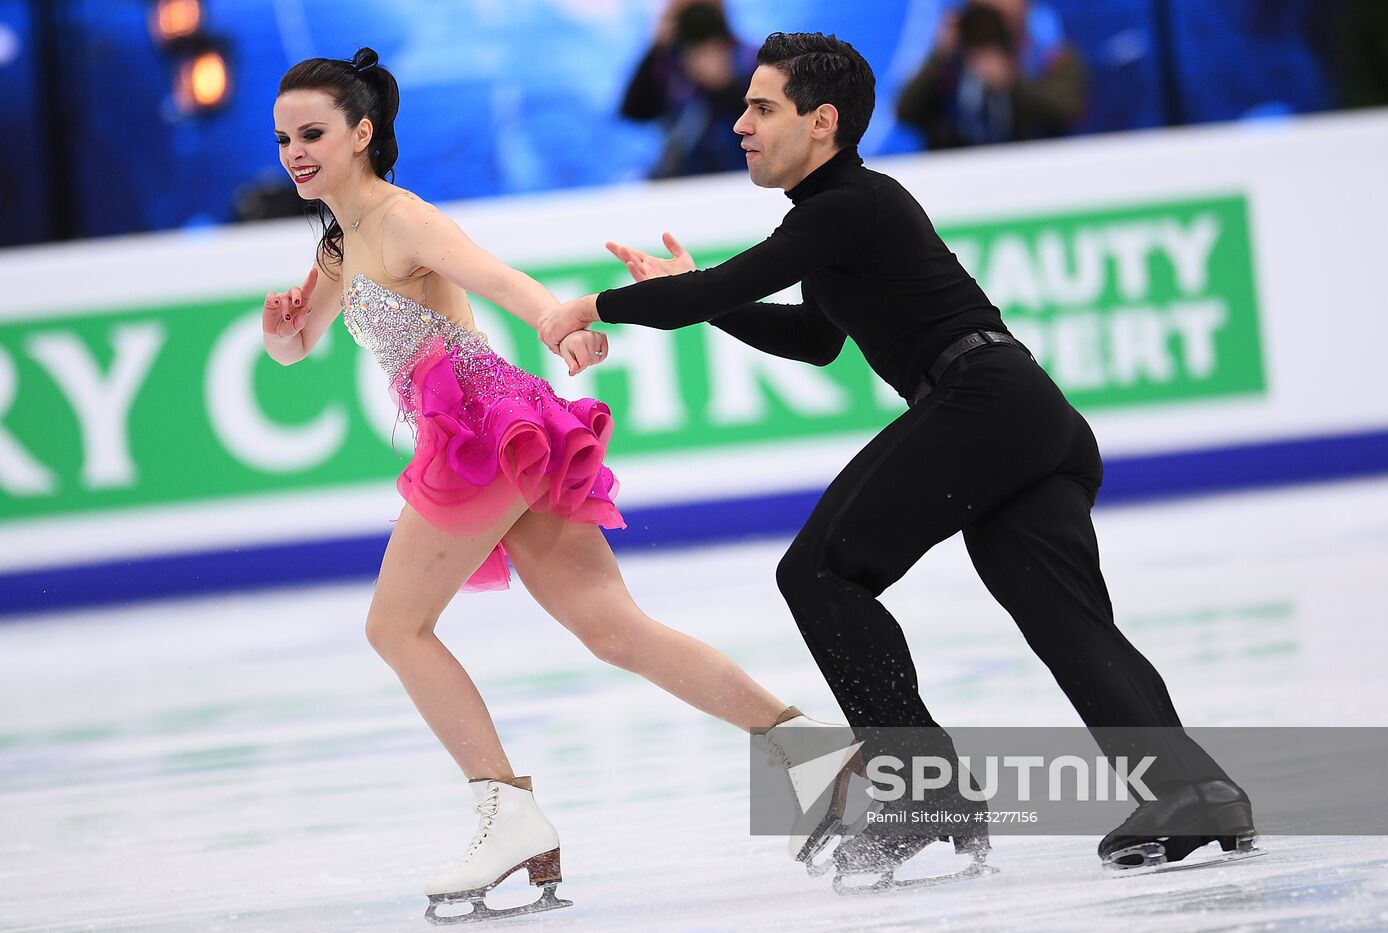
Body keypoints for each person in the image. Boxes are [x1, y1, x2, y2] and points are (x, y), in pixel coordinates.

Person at [539, 32, 1257, 884]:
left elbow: (725, 286)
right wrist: (698, 294)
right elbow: (815, 340)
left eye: (762, 107)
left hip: (983, 402)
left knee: (819, 572)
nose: (740, 124)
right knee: (1065, 619)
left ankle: (923, 790)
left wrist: (592, 304)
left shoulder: (848, 205)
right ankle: (1192, 791)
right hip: (1025, 414)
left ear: (822, 121)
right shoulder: (838, 215)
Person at [265, 47, 821, 921]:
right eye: (285, 139)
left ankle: (506, 810)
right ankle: (814, 755)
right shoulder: (338, 244)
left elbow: (497, 277)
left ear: (362, 133)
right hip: (497, 436)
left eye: (313, 134)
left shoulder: (402, 218)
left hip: (482, 436)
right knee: (613, 627)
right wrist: (281, 330)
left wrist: (561, 326)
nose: (295, 153)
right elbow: (297, 346)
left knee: (395, 626)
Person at [896, 0, 1086, 149]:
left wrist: (1010, 83)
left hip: (1032, 166)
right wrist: (940, 55)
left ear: (1025, 5)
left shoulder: (1048, 56)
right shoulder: (949, 62)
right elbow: (905, 112)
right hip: (957, 169)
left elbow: (1066, 111)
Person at [619, 0, 754, 178]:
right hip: (683, 179)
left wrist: (725, 85)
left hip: (743, 177)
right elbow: (633, 112)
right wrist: (656, 47)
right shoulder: (667, 65)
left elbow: (766, 121)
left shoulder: (750, 59)